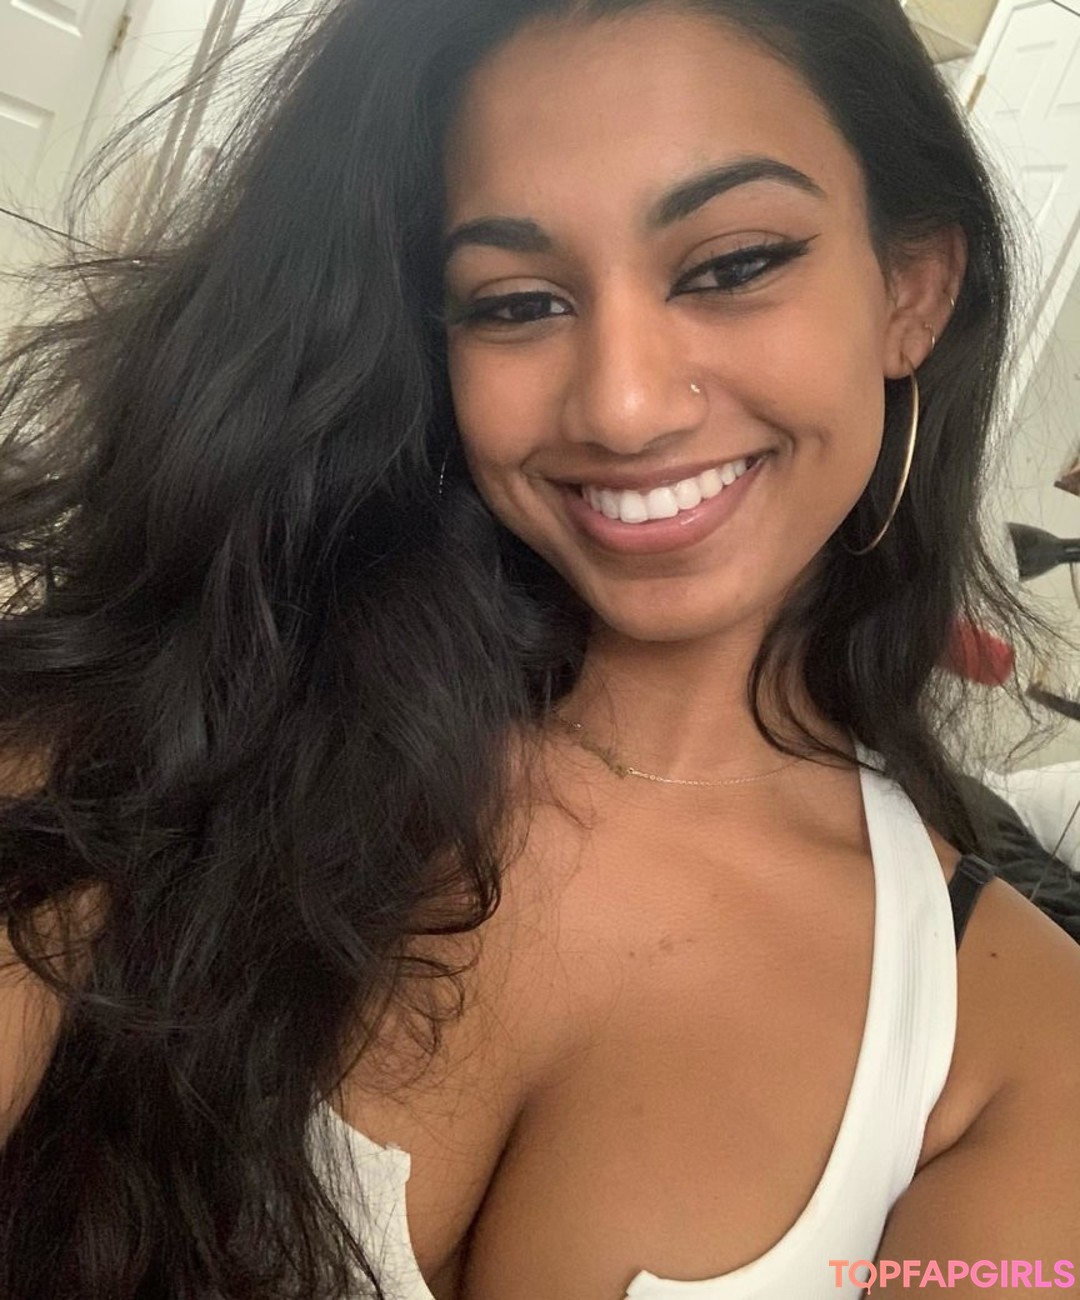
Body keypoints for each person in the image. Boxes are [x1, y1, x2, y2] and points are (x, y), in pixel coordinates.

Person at [1, 0, 1079, 1297]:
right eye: (515, 302)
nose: (620, 404)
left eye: (733, 264)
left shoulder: (1021, 1052)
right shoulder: (178, 716)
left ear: (912, 290)